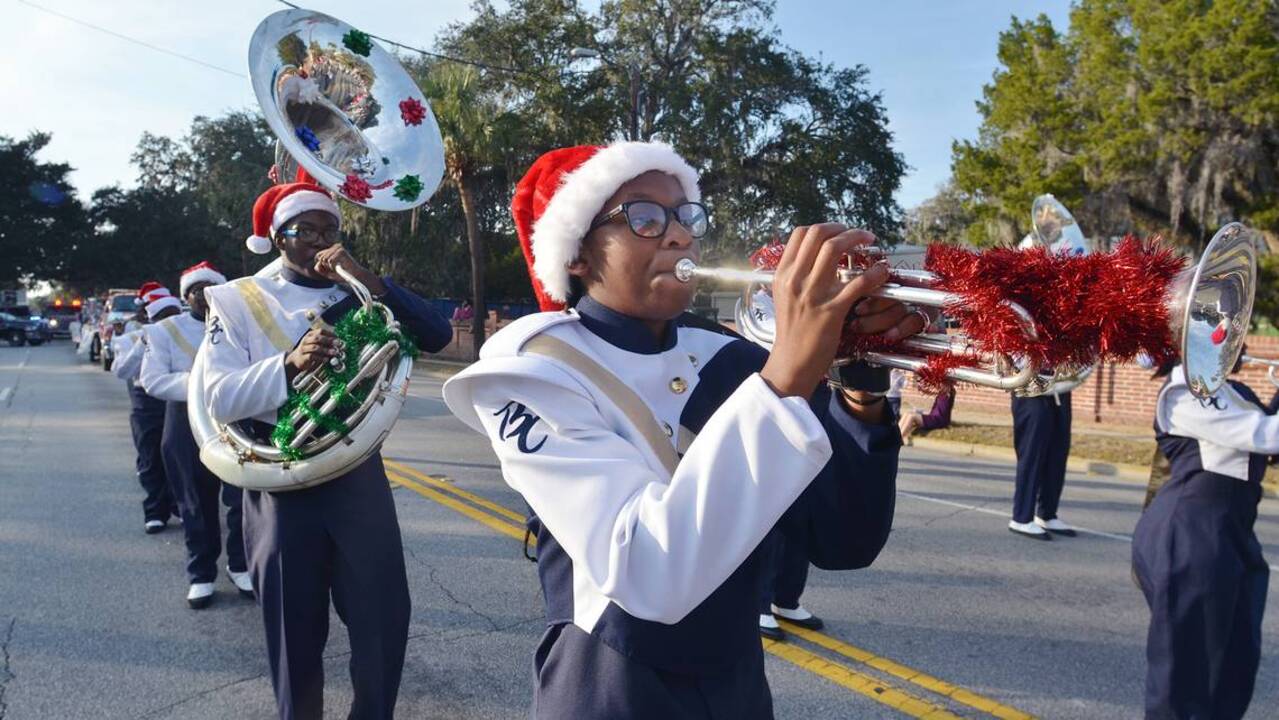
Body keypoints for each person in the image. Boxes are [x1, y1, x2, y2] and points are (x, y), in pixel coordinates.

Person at [442, 141, 923, 719]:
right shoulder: (531, 370)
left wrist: (860, 391)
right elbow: (648, 570)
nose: (678, 237)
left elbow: (845, 542)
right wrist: (791, 370)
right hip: (610, 681)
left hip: (737, 682)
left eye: (684, 217)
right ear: (576, 256)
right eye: (643, 218)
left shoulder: (737, 356)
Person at [200, 180, 451, 719]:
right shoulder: (238, 299)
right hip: (280, 477)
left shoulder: (357, 291)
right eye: (304, 231)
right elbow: (217, 398)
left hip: (356, 473)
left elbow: (436, 334)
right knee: (294, 630)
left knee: (383, 618)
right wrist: (289, 365)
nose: (319, 242)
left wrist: (368, 278)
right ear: (277, 236)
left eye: (329, 230)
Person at [1132, 353, 1277, 719]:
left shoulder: (1232, 390)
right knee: (1185, 678)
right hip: (1191, 533)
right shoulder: (1184, 391)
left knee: (1234, 665)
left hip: (1231, 533)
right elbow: (1263, 435)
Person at [140, 262, 251, 609]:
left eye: (209, 289)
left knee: (241, 502)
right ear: (185, 295)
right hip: (186, 420)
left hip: (236, 420)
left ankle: (240, 565)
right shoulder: (164, 330)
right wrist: (200, 383)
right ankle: (201, 574)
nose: (202, 297)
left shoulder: (240, 323)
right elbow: (153, 380)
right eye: (194, 291)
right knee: (195, 503)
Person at [114, 283, 178, 533]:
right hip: (146, 401)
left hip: (177, 400)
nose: (170, 321)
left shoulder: (184, 334)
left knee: (178, 458)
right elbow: (121, 371)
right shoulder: (130, 338)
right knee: (150, 457)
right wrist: (142, 344)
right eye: (164, 317)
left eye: (174, 314)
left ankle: (177, 505)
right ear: (148, 315)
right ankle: (155, 511)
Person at [1007, 386, 1075, 540]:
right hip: (1030, 389)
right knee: (1032, 454)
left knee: (1057, 454)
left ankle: (1047, 514)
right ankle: (1021, 518)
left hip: (1059, 389)